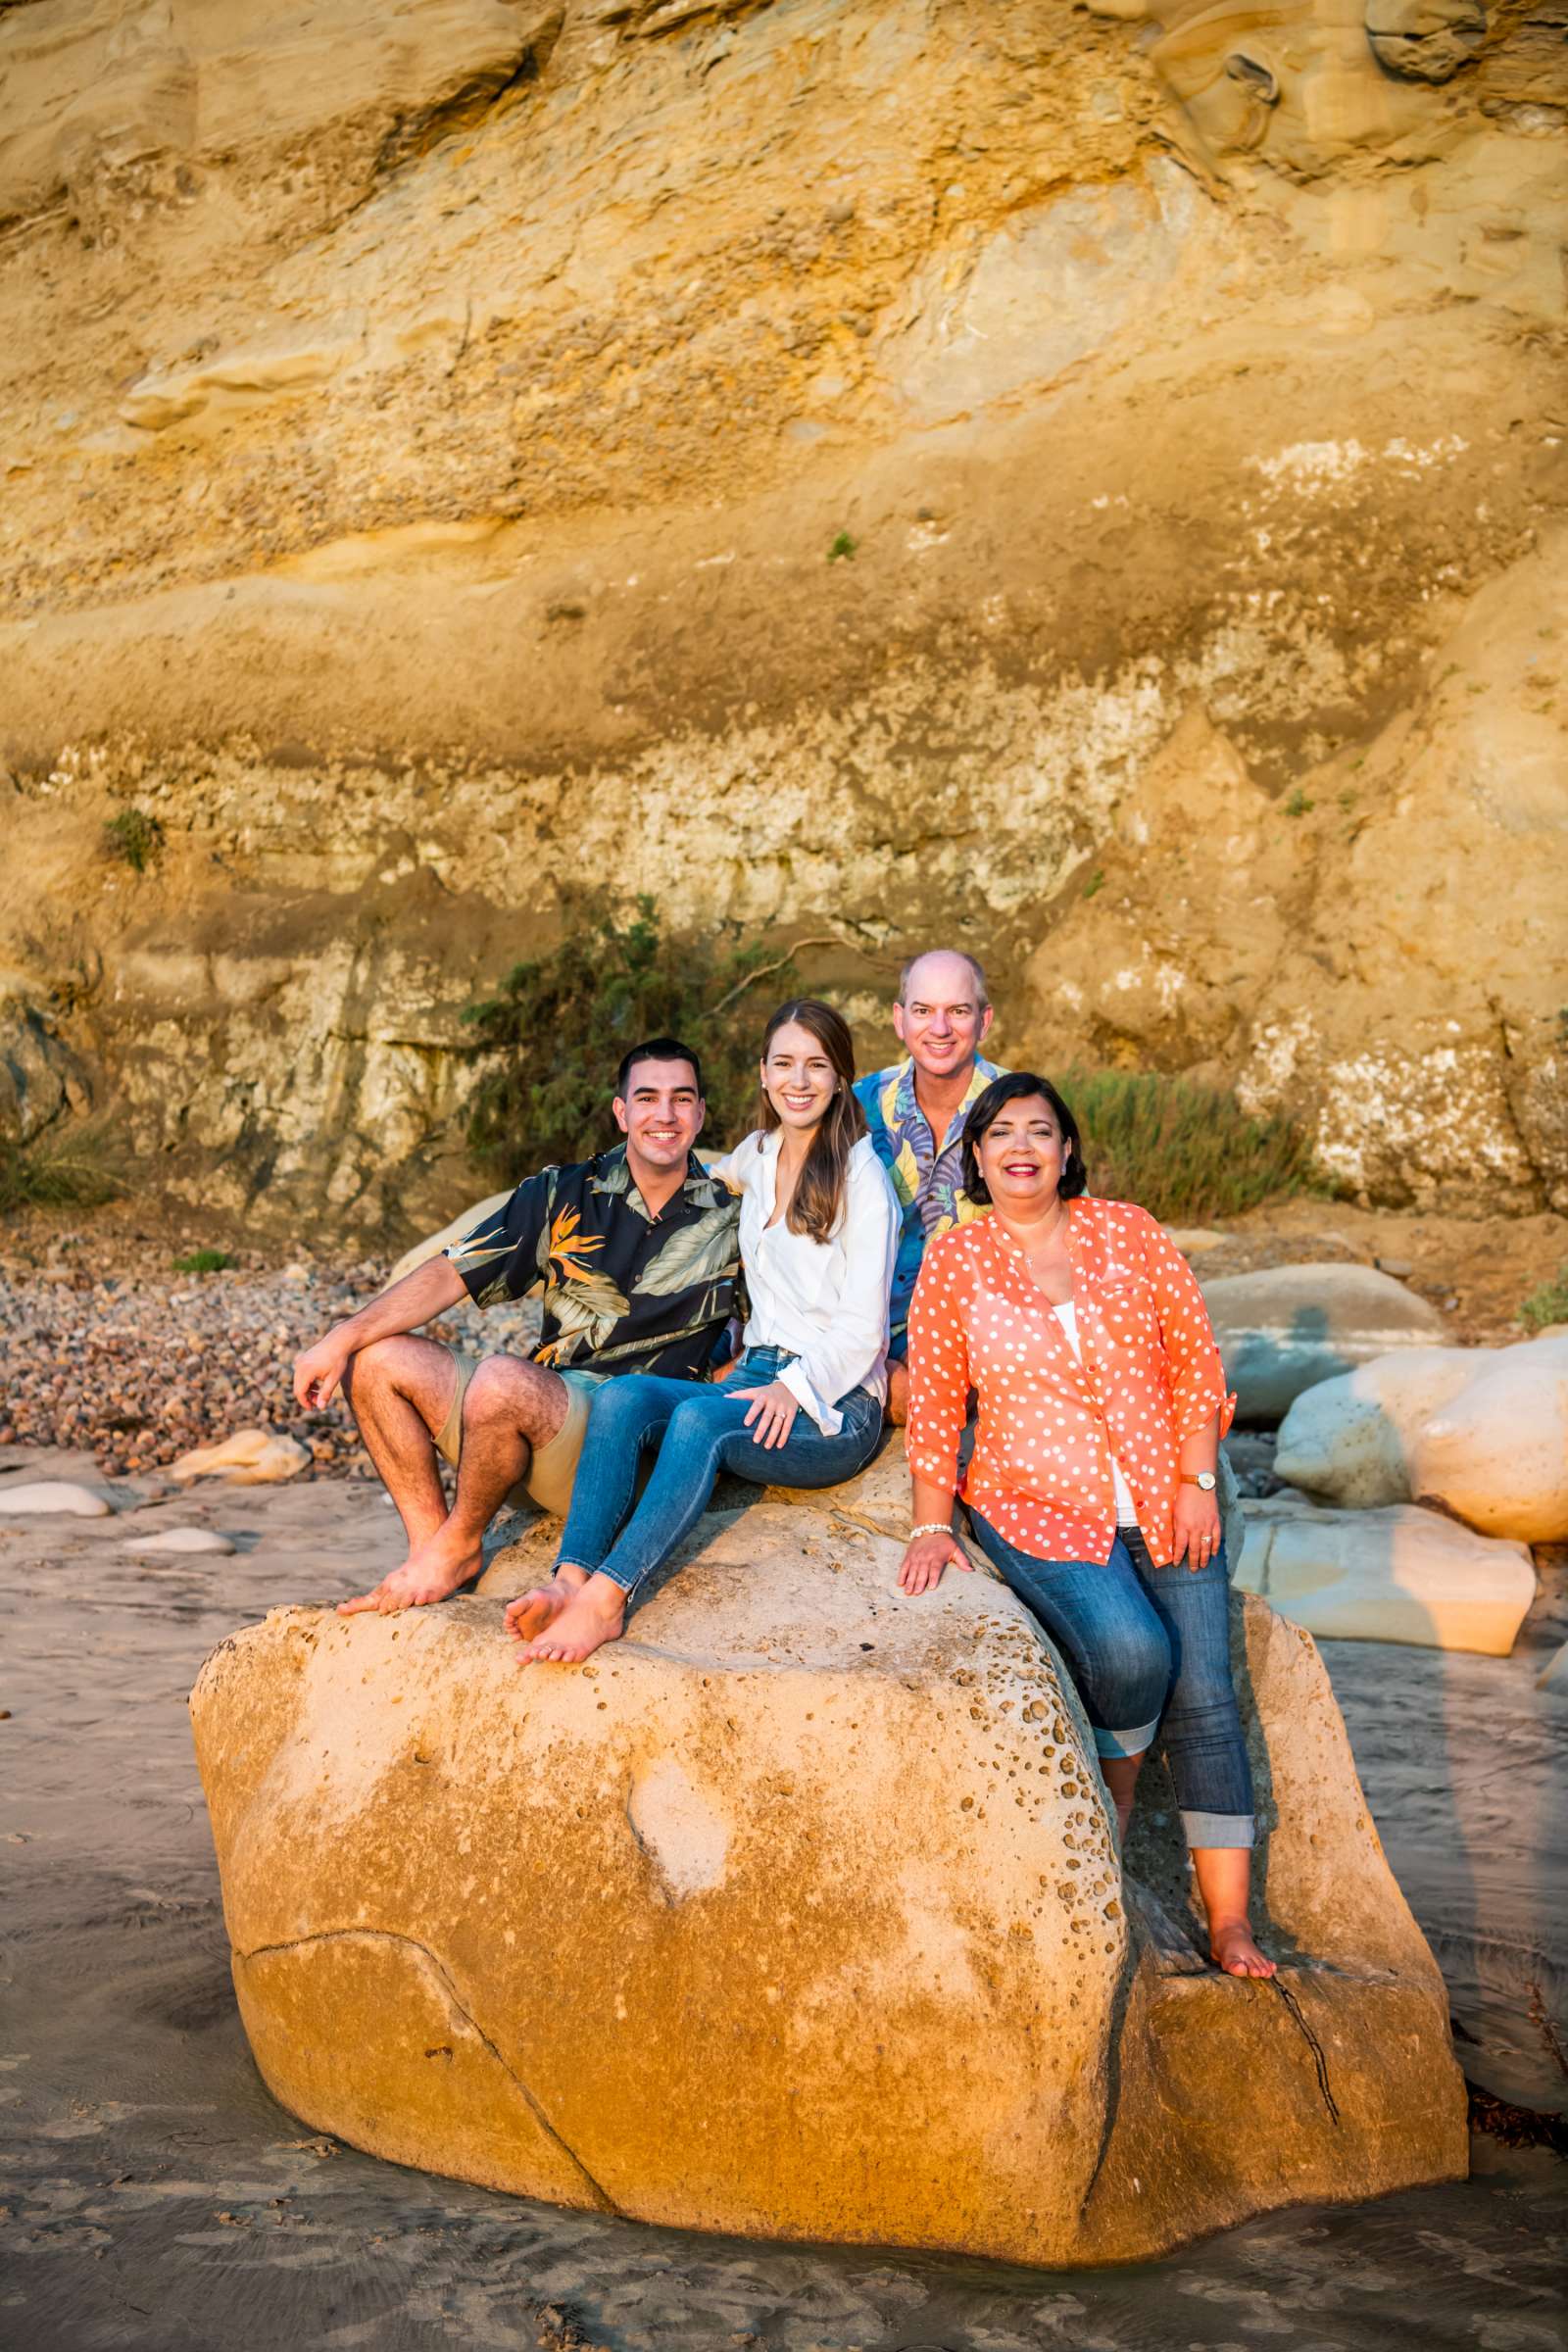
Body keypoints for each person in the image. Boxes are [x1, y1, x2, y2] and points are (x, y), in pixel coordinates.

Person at [896, 1070, 1276, 1981]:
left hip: (1162, 1495)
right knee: (1134, 1652)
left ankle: (1229, 1924)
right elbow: (940, 1402)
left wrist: (1194, 1481)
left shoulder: (1129, 1231)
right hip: (1033, 1503)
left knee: (1208, 1702)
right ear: (977, 1161)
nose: (1021, 1147)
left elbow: (1196, 1360)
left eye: (1040, 1131)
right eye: (1000, 1135)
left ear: (1068, 1151)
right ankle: (1108, 1834)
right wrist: (929, 1526)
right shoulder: (957, 1261)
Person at [290, 1038, 741, 1615]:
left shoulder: (734, 1215)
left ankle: (460, 1539)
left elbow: (766, 1336)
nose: (665, 1115)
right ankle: (433, 1548)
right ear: (621, 1112)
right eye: (647, 1097)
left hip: (631, 1448)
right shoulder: (563, 1191)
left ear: (701, 1112)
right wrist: (342, 1335)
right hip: (531, 1430)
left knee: (504, 1381)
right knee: (375, 1361)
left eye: (682, 1099)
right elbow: (454, 1272)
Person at [510, 999, 898, 1666]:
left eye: (816, 1065)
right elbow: (704, 1173)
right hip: (757, 1374)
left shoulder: (864, 1179)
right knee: (626, 1397)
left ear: (840, 1078)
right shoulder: (760, 1153)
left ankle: (607, 1599)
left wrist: (794, 1389)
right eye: (784, 1064)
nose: (798, 1081)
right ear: (762, 1074)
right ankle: (569, 1578)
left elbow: (866, 1332)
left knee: (696, 1423)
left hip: (833, 1403)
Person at [854, 948, 1002, 1425]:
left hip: (979, 1345)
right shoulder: (858, 1106)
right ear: (899, 1019)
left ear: (984, 1021)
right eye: (923, 1011)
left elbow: (1058, 1241)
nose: (939, 1029)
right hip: (863, 1340)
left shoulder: (1020, 1109)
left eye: (958, 1011)